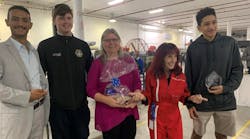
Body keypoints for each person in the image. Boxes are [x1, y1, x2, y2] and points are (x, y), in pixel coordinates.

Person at [185, 7, 243, 139]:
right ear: (199, 27)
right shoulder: (193, 48)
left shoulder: (230, 44)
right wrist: (189, 103)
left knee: (222, 135)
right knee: (196, 134)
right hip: (201, 102)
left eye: (214, 22)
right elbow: (188, 77)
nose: (211, 27)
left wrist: (225, 88)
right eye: (206, 24)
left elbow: (237, 70)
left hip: (225, 101)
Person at [37, 4, 93, 139]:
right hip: (58, 109)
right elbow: (38, 77)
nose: (66, 22)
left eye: (69, 18)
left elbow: (93, 74)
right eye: (61, 18)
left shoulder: (82, 46)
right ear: (54, 21)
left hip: (80, 107)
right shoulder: (45, 46)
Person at [130, 43, 207, 139]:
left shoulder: (180, 76)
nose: (173, 60)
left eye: (175, 56)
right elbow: (148, 94)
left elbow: (183, 94)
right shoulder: (152, 74)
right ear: (161, 57)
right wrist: (142, 96)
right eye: (169, 56)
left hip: (174, 116)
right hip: (156, 115)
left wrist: (191, 98)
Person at [0, 5, 50, 139]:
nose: (20, 24)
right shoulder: (1, 50)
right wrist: (27, 96)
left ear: (30, 24)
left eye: (25, 20)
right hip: (16, 118)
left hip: (39, 112)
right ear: (7, 22)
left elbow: (39, 78)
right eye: (15, 19)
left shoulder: (34, 51)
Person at [86, 28, 142, 139]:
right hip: (108, 113)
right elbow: (90, 89)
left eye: (114, 39)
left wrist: (136, 94)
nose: (111, 43)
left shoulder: (129, 60)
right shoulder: (97, 64)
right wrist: (107, 100)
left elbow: (137, 82)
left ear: (119, 41)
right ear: (102, 43)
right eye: (107, 40)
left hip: (128, 109)